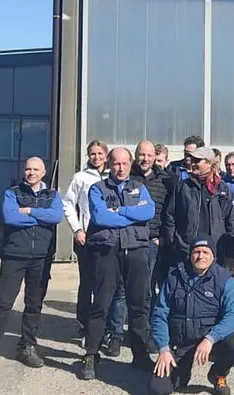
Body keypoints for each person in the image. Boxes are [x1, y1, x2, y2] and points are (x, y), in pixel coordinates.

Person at [0, 158, 63, 373]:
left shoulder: (52, 195)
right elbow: (10, 217)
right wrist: (41, 217)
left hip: (41, 257)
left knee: (34, 304)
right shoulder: (12, 193)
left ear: (44, 173)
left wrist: (29, 211)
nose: (31, 172)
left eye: (36, 169)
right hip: (14, 255)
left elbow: (56, 216)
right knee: (3, 303)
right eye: (28, 169)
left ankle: (27, 346)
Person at [79, 148, 156, 380]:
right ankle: (91, 354)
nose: (120, 168)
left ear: (130, 164)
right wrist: (133, 215)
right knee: (101, 303)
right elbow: (100, 217)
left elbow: (149, 212)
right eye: (116, 164)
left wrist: (120, 211)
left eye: (124, 164)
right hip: (107, 250)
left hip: (136, 249)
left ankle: (140, 354)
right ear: (109, 165)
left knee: (138, 305)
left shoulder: (140, 187)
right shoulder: (97, 189)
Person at [149, 236, 234, 395]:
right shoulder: (173, 276)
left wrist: (210, 338)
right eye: (197, 252)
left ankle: (218, 374)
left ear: (213, 257)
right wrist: (163, 349)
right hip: (180, 342)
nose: (201, 256)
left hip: (208, 340)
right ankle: (181, 372)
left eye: (206, 252)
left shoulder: (223, 278)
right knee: (158, 390)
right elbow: (159, 314)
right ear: (190, 255)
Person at [63, 140, 125, 351]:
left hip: (110, 239)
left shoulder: (113, 177)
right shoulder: (81, 177)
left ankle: (108, 328)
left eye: (100, 153)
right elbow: (68, 204)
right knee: (88, 284)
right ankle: (85, 326)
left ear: (107, 155)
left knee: (109, 285)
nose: (96, 157)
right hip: (87, 239)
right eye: (92, 153)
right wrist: (77, 230)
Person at [162, 146, 234, 270]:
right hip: (186, 251)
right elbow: (170, 215)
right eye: (192, 160)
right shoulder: (183, 187)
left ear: (209, 163)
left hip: (215, 252)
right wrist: (175, 242)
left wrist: (230, 253)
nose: (193, 163)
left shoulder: (223, 189)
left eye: (197, 161)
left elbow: (231, 222)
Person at [131, 140, 174, 289]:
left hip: (154, 241)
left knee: (151, 286)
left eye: (149, 155)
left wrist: (163, 237)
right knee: (132, 286)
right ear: (135, 155)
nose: (145, 159)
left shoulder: (165, 180)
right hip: (131, 240)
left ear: (154, 157)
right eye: (142, 155)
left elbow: (169, 212)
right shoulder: (128, 178)